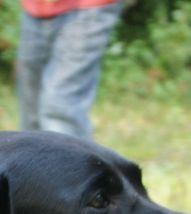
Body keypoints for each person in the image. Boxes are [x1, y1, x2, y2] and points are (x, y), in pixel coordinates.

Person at [16, 0, 122, 141]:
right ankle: (32, 159)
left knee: (59, 104)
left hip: (88, 8)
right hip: (36, 9)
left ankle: (64, 161)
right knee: (31, 108)